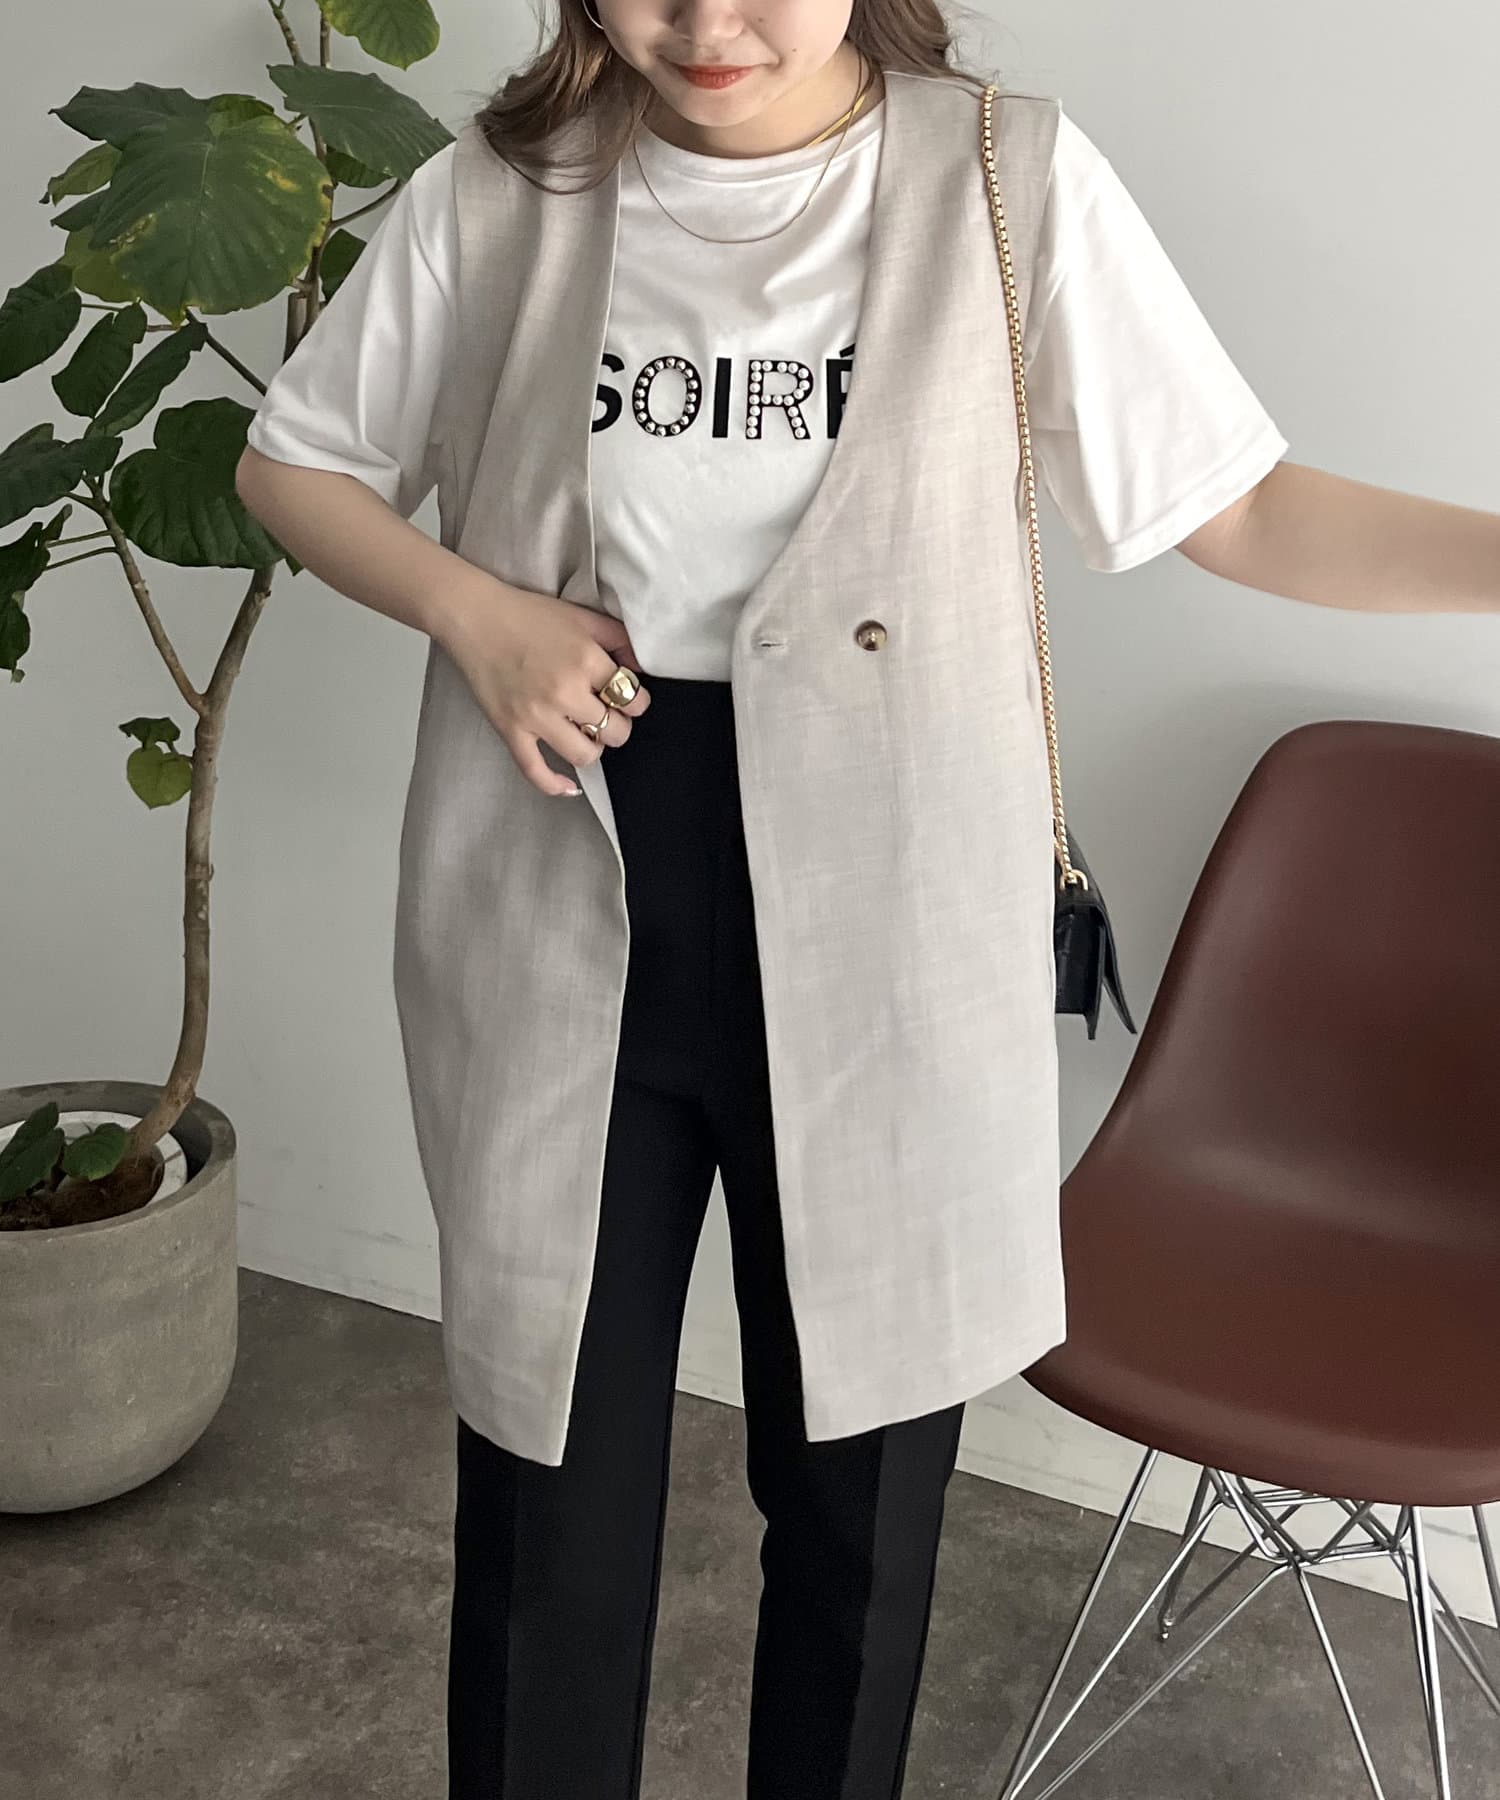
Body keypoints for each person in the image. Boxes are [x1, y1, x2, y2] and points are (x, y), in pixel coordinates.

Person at [235, 4, 1500, 1795]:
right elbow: (292, 460)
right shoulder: (502, 192)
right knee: (545, 1483)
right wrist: (479, 613)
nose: (708, 25)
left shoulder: (1006, 180)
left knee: (861, 1509)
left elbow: (1242, 511)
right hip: (562, 882)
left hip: (893, 916)